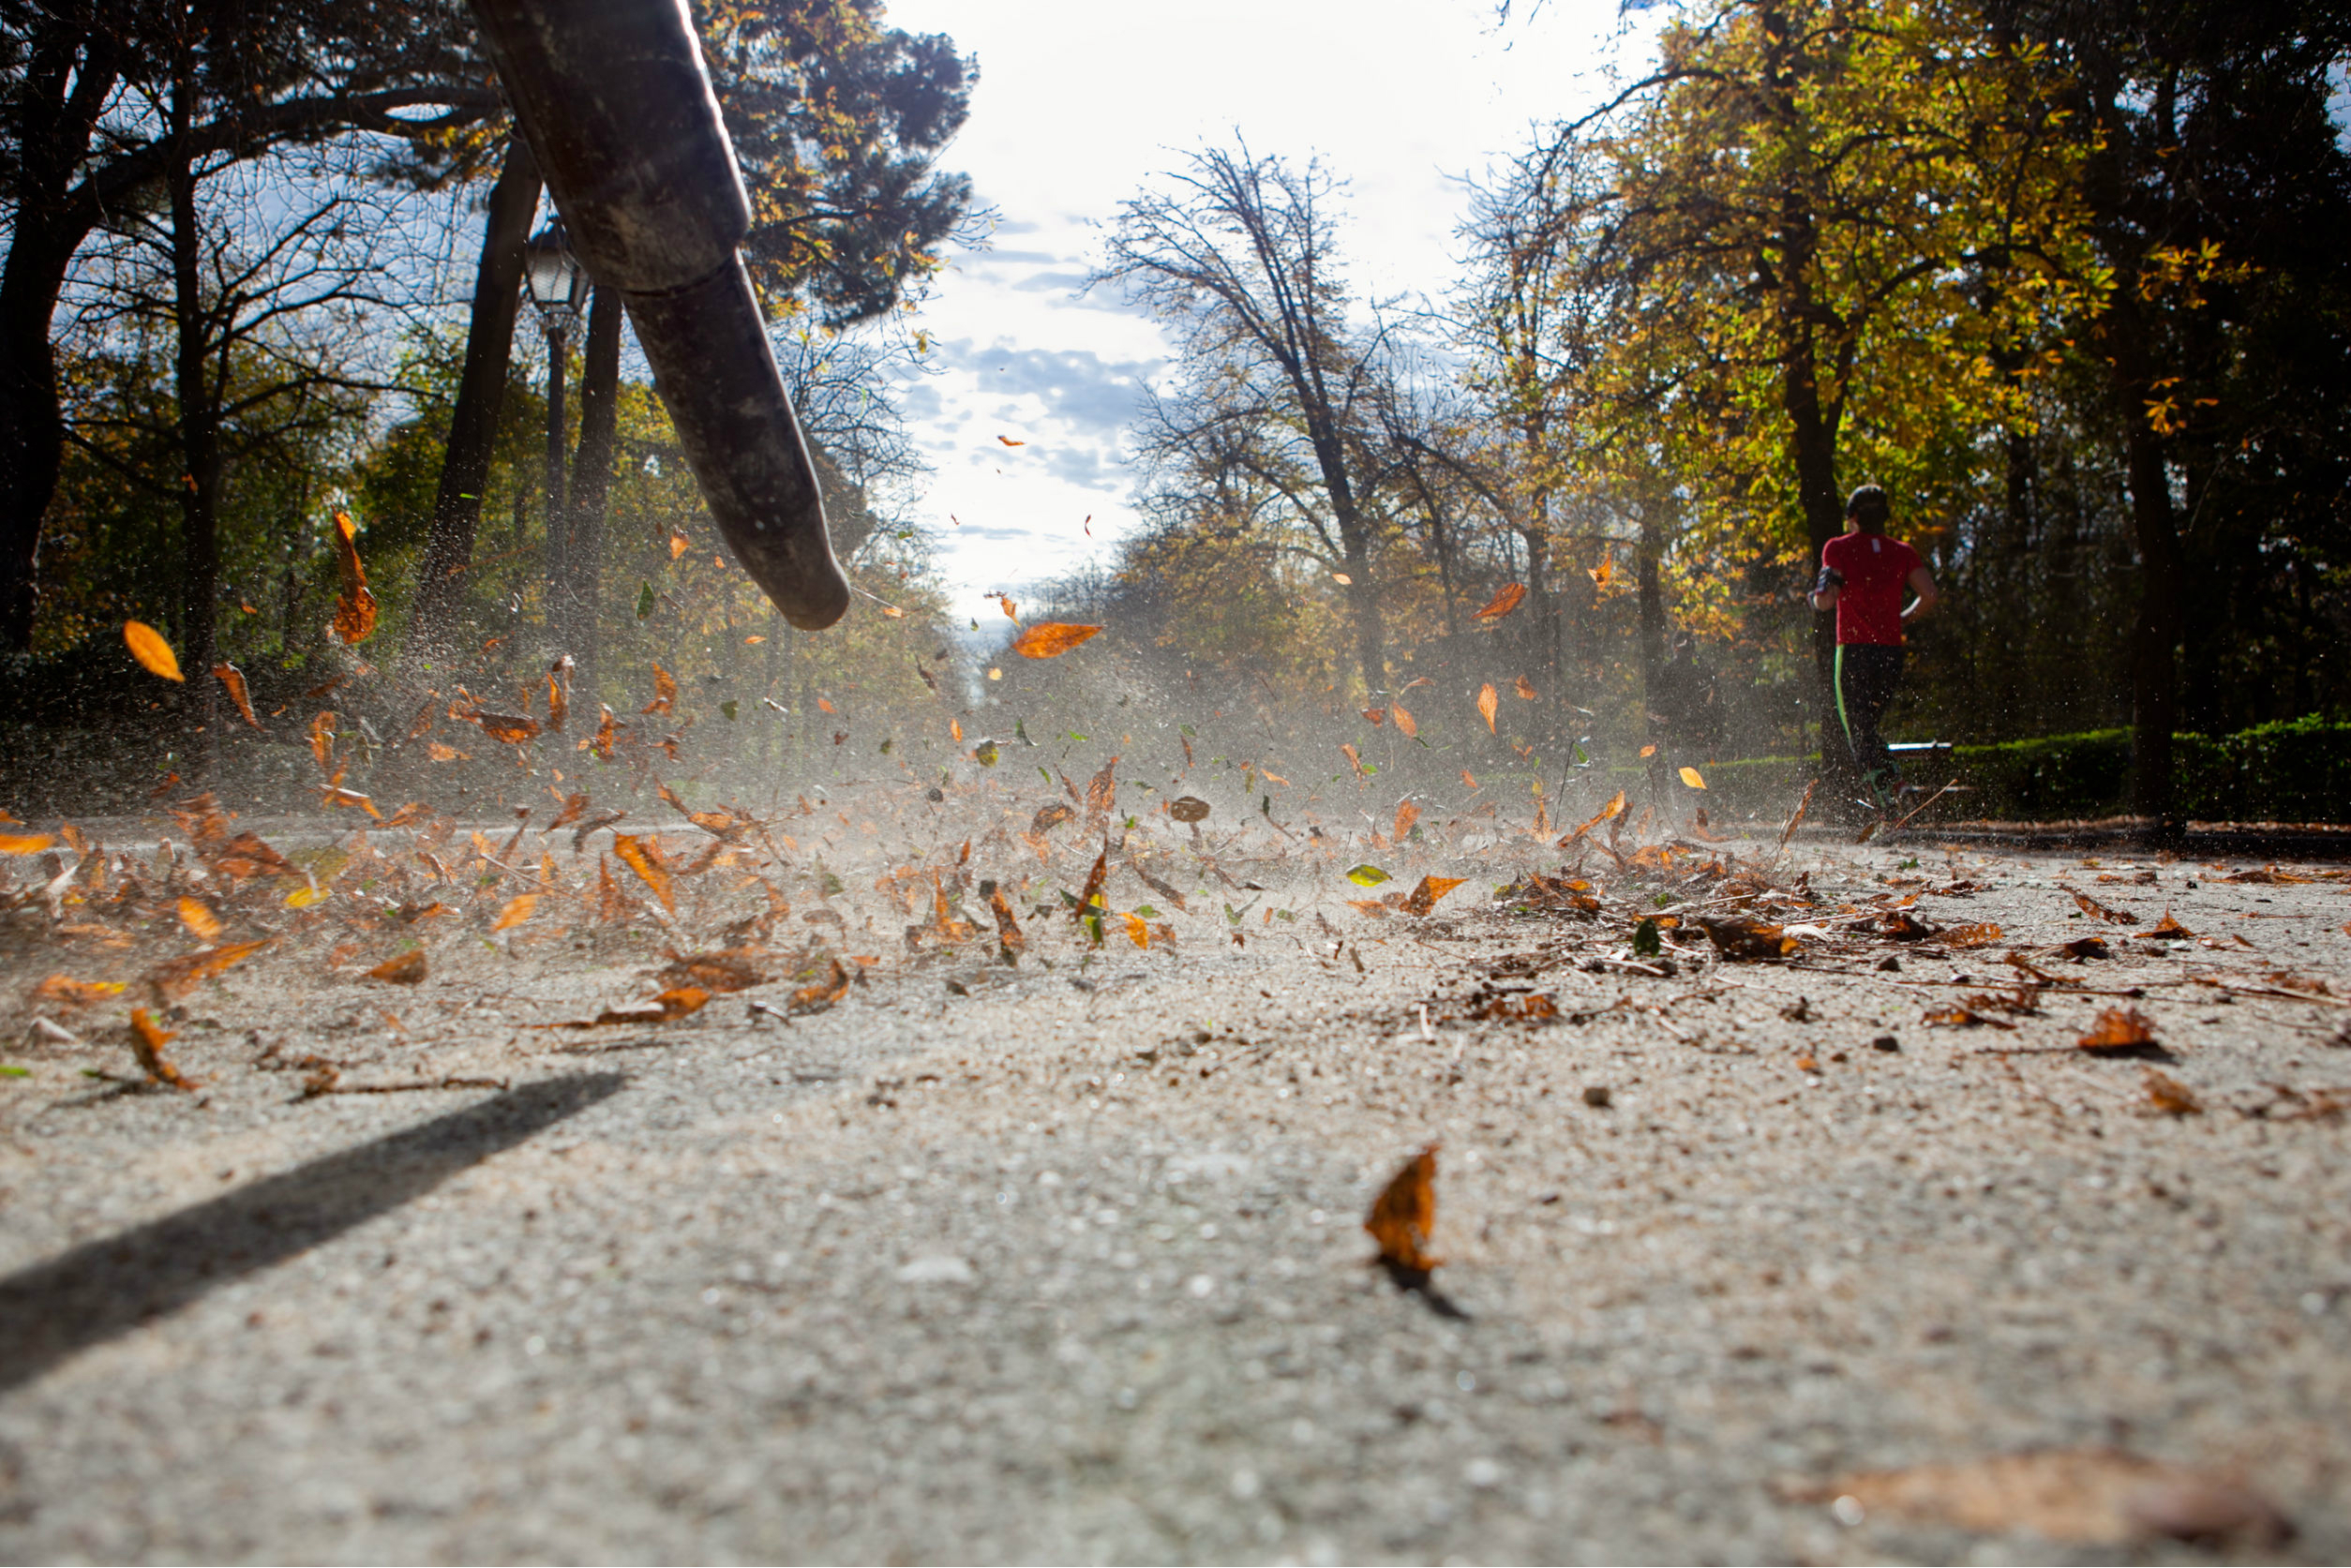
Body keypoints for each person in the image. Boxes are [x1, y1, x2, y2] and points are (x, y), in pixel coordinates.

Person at [1809, 483, 1938, 811]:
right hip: (1890, 654)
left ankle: (1894, 794)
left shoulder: (1838, 548)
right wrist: (1903, 619)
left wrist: (1813, 599)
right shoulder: (1903, 552)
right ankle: (1894, 794)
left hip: (1853, 651)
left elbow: (1827, 600)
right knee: (1868, 728)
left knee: (1858, 731)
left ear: (1852, 517)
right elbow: (1930, 595)